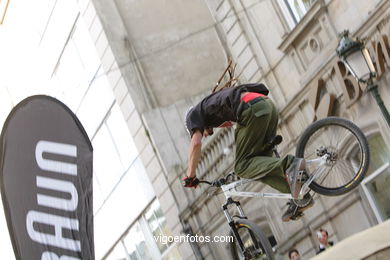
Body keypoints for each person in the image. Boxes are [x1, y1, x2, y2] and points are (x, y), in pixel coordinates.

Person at [182, 82, 314, 221]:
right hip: (268, 107)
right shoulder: (211, 108)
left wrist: (190, 176)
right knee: (257, 169)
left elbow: (195, 144)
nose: (207, 135)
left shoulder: (193, 116)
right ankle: (300, 197)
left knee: (242, 167)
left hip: (252, 109)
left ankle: (290, 164)